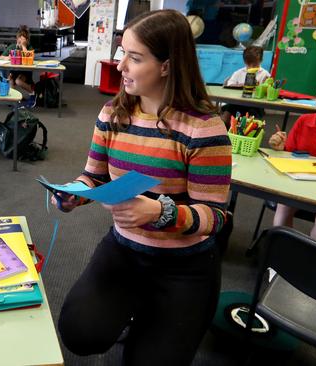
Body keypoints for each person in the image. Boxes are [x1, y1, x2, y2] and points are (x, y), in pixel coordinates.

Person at [53, 9, 232, 366]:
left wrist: (160, 211)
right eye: (123, 53)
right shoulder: (112, 113)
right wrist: (75, 190)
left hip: (185, 264)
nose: (120, 66)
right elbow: (94, 176)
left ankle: (150, 317)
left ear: (167, 66)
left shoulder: (203, 129)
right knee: (79, 332)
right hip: (126, 249)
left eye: (134, 58)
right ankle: (136, 312)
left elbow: (216, 217)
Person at [268, 75, 316, 243]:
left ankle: (311, 257)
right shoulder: (304, 122)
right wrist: (280, 148)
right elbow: (288, 154)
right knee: (282, 210)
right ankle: (284, 251)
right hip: (298, 182)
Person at [221, 45, 270, 125]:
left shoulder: (264, 74)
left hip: (254, 105)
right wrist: (242, 85)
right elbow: (229, 86)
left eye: (254, 65)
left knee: (249, 121)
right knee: (227, 114)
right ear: (245, 62)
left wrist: (263, 86)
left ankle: (244, 132)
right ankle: (224, 131)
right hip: (237, 103)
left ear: (260, 61)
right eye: (248, 64)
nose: (251, 67)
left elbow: (267, 92)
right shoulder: (239, 73)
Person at [0, 25, 35, 101]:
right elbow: (0, 57)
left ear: (27, 41)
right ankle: (14, 98)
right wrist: (7, 58)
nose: (20, 42)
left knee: (18, 81)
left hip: (25, 72)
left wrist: (24, 47)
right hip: (14, 71)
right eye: (19, 40)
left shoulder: (29, 47)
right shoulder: (12, 47)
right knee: (10, 80)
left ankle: (32, 92)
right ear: (17, 39)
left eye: (23, 40)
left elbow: (29, 58)